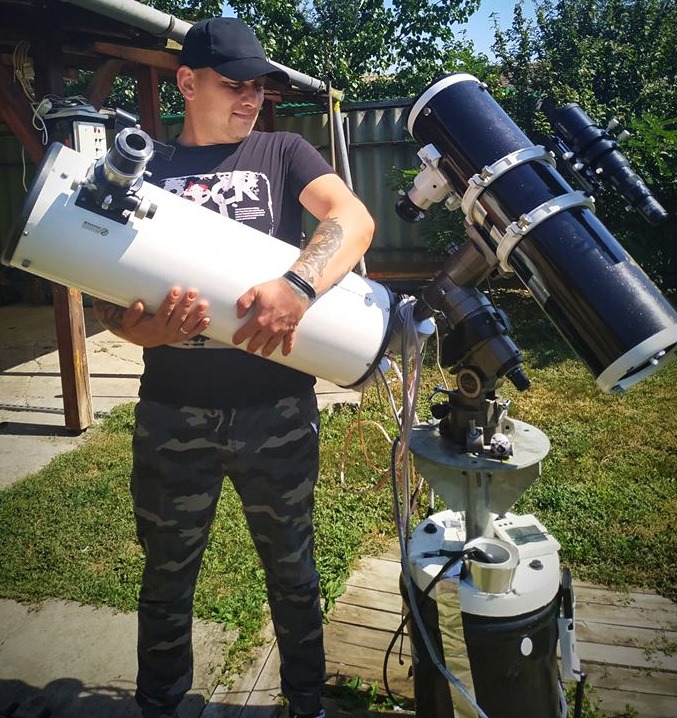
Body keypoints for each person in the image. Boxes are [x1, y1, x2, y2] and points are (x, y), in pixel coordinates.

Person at [92, 16, 375, 718]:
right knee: (165, 577)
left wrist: (299, 285)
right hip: (171, 414)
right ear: (187, 83)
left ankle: (304, 703)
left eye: (258, 88)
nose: (251, 99)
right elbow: (108, 303)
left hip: (275, 410)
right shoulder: (147, 166)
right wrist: (144, 330)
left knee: (293, 572)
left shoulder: (282, 151)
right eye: (234, 85)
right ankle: (161, 705)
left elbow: (352, 219)